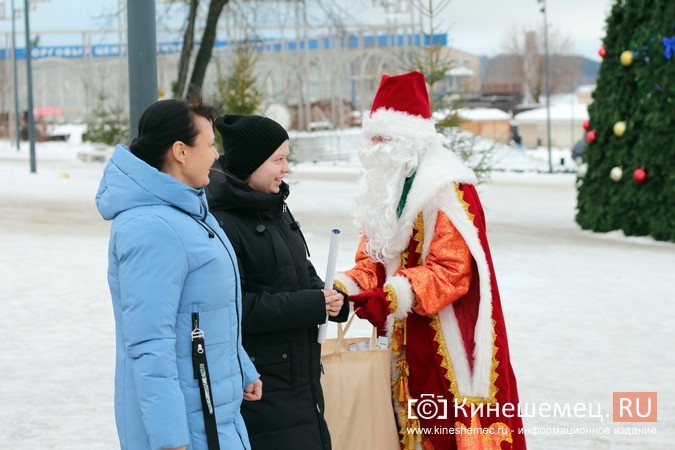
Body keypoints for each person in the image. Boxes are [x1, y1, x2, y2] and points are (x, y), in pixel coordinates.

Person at [334, 71, 527, 449]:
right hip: (399, 340)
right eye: (371, 137)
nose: (374, 147)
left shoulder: (446, 189)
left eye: (382, 138)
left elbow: (452, 271)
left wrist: (388, 297)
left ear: (408, 139)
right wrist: (345, 287)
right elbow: (373, 257)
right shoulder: (386, 189)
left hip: (443, 340)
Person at [95, 96, 262, 450]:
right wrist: (170, 439)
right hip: (187, 426)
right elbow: (148, 342)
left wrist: (241, 366)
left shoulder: (189, 212)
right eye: (210, 144)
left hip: (214, 411)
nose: (216, 154)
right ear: (180, 151)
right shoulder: (151, 227)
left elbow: (204, 310)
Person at [205, 114, 349, 450]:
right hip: (263, 386)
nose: (287, 169)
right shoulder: (223, 223)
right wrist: (313, 305)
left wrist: (332, 299)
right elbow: (236, 309)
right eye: (278, 160)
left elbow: (301, 272)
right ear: (250, 164)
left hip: (301, 381)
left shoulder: (276, 209)